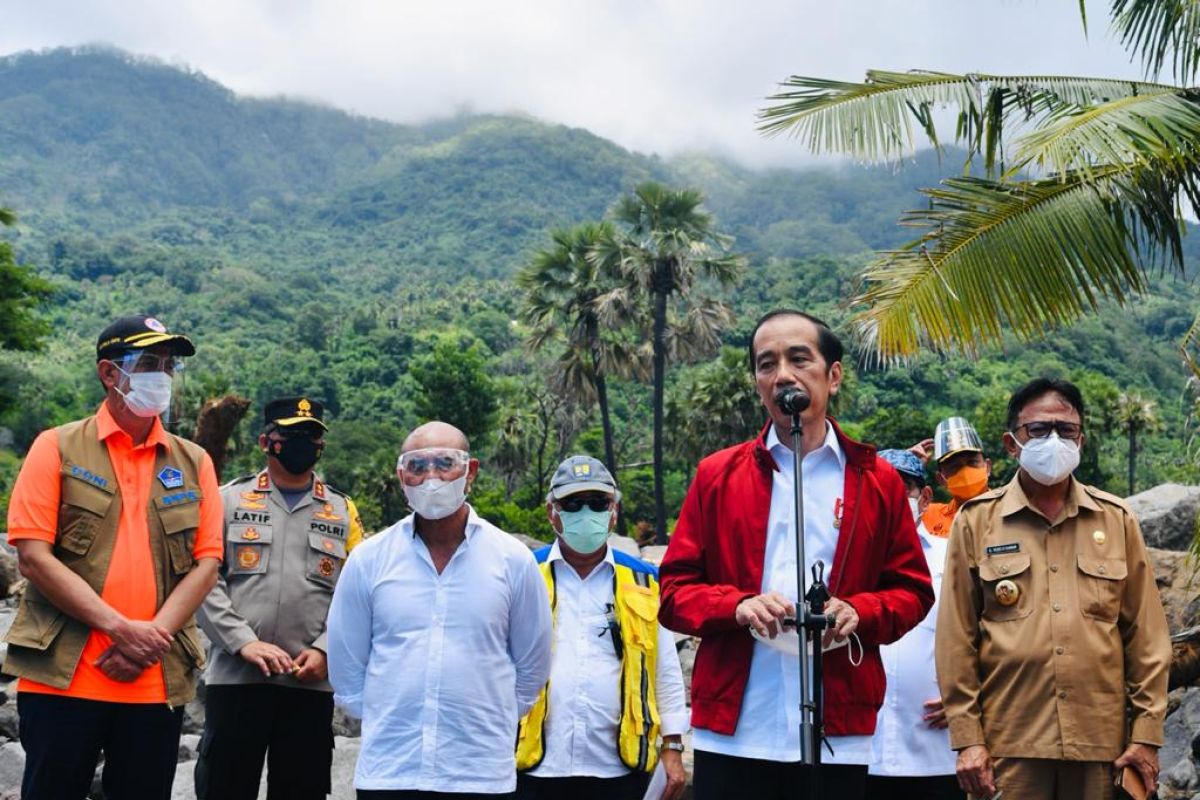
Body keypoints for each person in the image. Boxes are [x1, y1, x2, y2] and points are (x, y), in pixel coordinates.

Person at [657, 309, 934, 800]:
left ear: (834, 375)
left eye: (798, 358)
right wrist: (737, 605)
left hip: (839, 726)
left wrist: (860, 609)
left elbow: (913, 590)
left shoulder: (877, 481)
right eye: (767, 364)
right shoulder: (717, 476)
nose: (781, 374)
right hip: (738, 727)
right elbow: (675, 591)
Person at [3, 314, 223, 800]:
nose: (161, 375)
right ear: (109, 373)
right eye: (148, 362)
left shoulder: (194, 462)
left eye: (168, 365)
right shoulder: (56, 447)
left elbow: (207, 563)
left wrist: (150, 640)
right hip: (63, 677)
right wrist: (122, 630)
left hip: (154, 681)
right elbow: (34, 557)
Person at [936, 377, 1171, 800]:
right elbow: (957, 640)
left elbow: (1148, 640)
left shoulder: (1116, 520)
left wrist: (1147, 734)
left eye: (1066, 430)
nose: (1054, 440)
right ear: (1012, 443)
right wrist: (968, 739)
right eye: (1039, 430)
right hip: (1010, 746)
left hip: (1103, 747)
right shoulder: (976, 522)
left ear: (1080, 439)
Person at [326, 421, 553, 798]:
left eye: (445, 463)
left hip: (480, 774)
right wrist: (395, 713)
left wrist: (486, 712)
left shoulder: (512, 560)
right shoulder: (370, 559)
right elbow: (347, 666)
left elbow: (533, 664)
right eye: (417, 466)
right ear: (401, 476)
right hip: (391, 770)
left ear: (470, 471)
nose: (431, 477)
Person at [195, 396, 366, 800]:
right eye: (291, 434)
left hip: (309, 684)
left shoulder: (342, 510)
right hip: (237, 679)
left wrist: (326, 650)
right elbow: (202, 580)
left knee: (301, 790)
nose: (303, 442)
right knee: (223, 787)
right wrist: (244, 642)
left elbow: (357, 592)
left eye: (311, 434)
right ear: (265, 441)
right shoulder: (227, 501)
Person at [515, 455, 689, 800]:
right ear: (552, 512)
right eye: (573, 503)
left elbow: (665, 670)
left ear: (613, 512)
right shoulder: (523, 575)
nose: (585, 513)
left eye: (597, 503)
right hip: (534, 765)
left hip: (620, 769)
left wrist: (673, 745)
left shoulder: (644, 580)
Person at [867, 449, 962, 800]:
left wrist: (970, 698)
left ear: (924, 498)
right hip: (858, 747)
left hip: (934, 750)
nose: (889, 497)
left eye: (900, 488)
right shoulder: (841, 559)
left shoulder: (954, 556)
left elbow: (987, 634)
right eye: (878, 487)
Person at [914, 417, 991, 538]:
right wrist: (903, 467)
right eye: (955, 467)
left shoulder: (1012, 511)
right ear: (940, 479)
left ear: (988, 467)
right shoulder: (925, 516)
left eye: (972, 463)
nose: (965, 472)